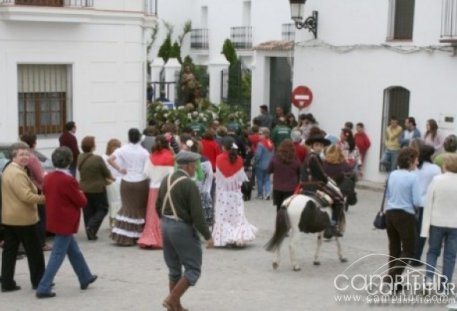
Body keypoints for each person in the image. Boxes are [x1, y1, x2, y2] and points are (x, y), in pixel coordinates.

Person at [35, 147, 97, 298]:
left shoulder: (48, 177)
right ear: (69, 161)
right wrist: (81, 192)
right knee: (57, 254)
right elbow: (82, 201)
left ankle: (85, 276)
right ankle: (43, 286)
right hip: (66, 220)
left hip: (55, 217)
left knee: (73, 250)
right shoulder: (68, 180)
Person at [156, 150, 214, 311]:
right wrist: (208, 235)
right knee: (193, 268)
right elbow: (197, 214)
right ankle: (171, 299)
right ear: (188, 166)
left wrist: (165, 222)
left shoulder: (166, 179)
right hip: (180, 227)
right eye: (194, 165)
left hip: (165, 225)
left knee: (174, 268)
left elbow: (157, 206)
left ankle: (175, 306)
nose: (196, 168)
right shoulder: (189, 184)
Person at [1, 142, 45, 292]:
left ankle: (7, 283)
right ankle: (39, 282)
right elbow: (26, 196)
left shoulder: (10, 169)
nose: (25, 157)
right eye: (21, 155)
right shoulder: (17, 173)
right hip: (23, 219)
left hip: (10, 217)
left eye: (27, 154)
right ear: (14, 156)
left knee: (10, 252)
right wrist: (45, 199)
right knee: (35, 252)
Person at [383, 147, 421, 291]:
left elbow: (388, 195)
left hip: (390, 213)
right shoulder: (413, 177)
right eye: (416, 159)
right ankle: (391, 276)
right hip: (405, 215)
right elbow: (417, 201)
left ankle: (395, 284)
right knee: (409, 250)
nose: (417, 162)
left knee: (394, 248)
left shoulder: (392, 174)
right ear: (410, 161)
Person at [212, 137, 257, 247]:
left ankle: (225, 238)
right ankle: (238, 237)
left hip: (223, 194)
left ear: (223, 147)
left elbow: (218, 176)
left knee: (223, 216)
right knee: (237, 216)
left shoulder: (219, 158)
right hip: (236, 193)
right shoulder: (239, 159)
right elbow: (240, 179)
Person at [421, 154, 457, 290]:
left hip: (436, 222)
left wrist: (424, 229)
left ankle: (429, 280)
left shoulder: (437, 180)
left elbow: (428, 203)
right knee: (450, 256)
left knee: (433, 252)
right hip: (455, 224)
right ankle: (445, 285)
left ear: (445, 166)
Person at [109, 128, 150, 246]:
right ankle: (139, 235)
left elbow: (110, 159)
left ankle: (125, 236)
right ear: (139, 138)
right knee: (140, 208)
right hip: (141, 182)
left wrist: (120, 169)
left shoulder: (122, 149)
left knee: (127, 207)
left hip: (126, 181)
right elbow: (147, 169)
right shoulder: (144, 152)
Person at [300, 131, 344, 238]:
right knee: (339, 199)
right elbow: (322, 174)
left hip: (306, 184)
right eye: (317, 145)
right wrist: (330, 182)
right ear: (312, 146)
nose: (319, 147)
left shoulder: (309, 156)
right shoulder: (314, 157)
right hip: (315, 185)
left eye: (321, 145)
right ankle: (333, 225)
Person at [138, 135, 174, 249]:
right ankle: (164, 237)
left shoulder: (151, 157)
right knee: (166, 213)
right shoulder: (171, 157)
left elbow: (146, 173)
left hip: (154, 187)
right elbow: (172, 174)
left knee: (152, 213)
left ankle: (150, 236)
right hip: (166, 187)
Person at [78, 136, 113, 241]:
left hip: (84, 188)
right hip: (98, 188)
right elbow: (106, 172)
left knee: (88, 210)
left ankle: (90, 233)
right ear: (92, 146)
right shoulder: (97, 158)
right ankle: (91, 226)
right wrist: (111, 178)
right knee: (103, 209)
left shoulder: (80, 157)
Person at [20, 133, 51, 251]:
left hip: (25, 187)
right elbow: (40, 176)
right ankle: (41, 243)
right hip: (36, 188)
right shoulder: (32, 157)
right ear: (33, 143)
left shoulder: (21, 155)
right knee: (40, 216)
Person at [411, 145, 441, 266]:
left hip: (413, 202)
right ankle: (416, 257)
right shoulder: (435, 169)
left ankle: (409, 254)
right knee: (422, 232)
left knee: (412, 230)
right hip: (427, 203)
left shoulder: (415, 167)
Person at [268, 139, 301, 212]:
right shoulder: (295, 159)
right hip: (291, 188)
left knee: (279, 207)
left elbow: (269, 170)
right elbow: (300, 171)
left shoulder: (276, 158)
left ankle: (279, 221)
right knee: (289, 208)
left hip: (277, 187)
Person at [102, 139, 123, 227]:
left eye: (117, 147)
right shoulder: (104, 157)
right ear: (109, 147)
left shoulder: (120, 157)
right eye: (114, 147)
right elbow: (103, 171)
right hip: (111, 182)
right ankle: (113, 218)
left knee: (119, 201)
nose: (115, 149)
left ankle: (117, 219)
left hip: (120, 181)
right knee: (113, 202)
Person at [253, 127, 274, 200]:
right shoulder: (271, 143)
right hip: (269, 164)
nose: (259, 135)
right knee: (267, 179)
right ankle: (268, 192)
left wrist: (254, 162)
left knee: (259, 179)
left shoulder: (260, 144)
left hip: (260, 164)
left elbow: (258, 155)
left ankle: (260, 194)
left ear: (265, 134)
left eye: (260, 134)